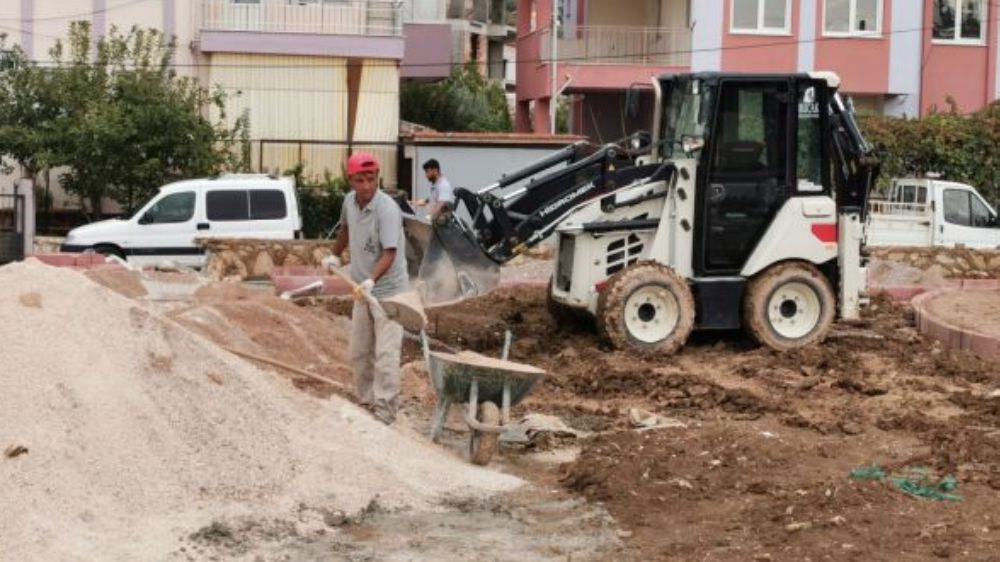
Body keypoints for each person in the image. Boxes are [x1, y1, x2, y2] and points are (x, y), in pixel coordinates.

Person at [324, 152, 408, 424]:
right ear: (350, 181)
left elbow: (390, 252)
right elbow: (345, 230)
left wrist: (372, 280)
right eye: (360, 180)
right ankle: (367, 402)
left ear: (377, 177)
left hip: (390, 293)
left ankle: (385, 413)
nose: (366, 186)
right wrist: (335, 254)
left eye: (371, 179)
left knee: (386, 355)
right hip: (362, 290)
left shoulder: (387, 210)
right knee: (360, 352)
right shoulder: (349, 202)